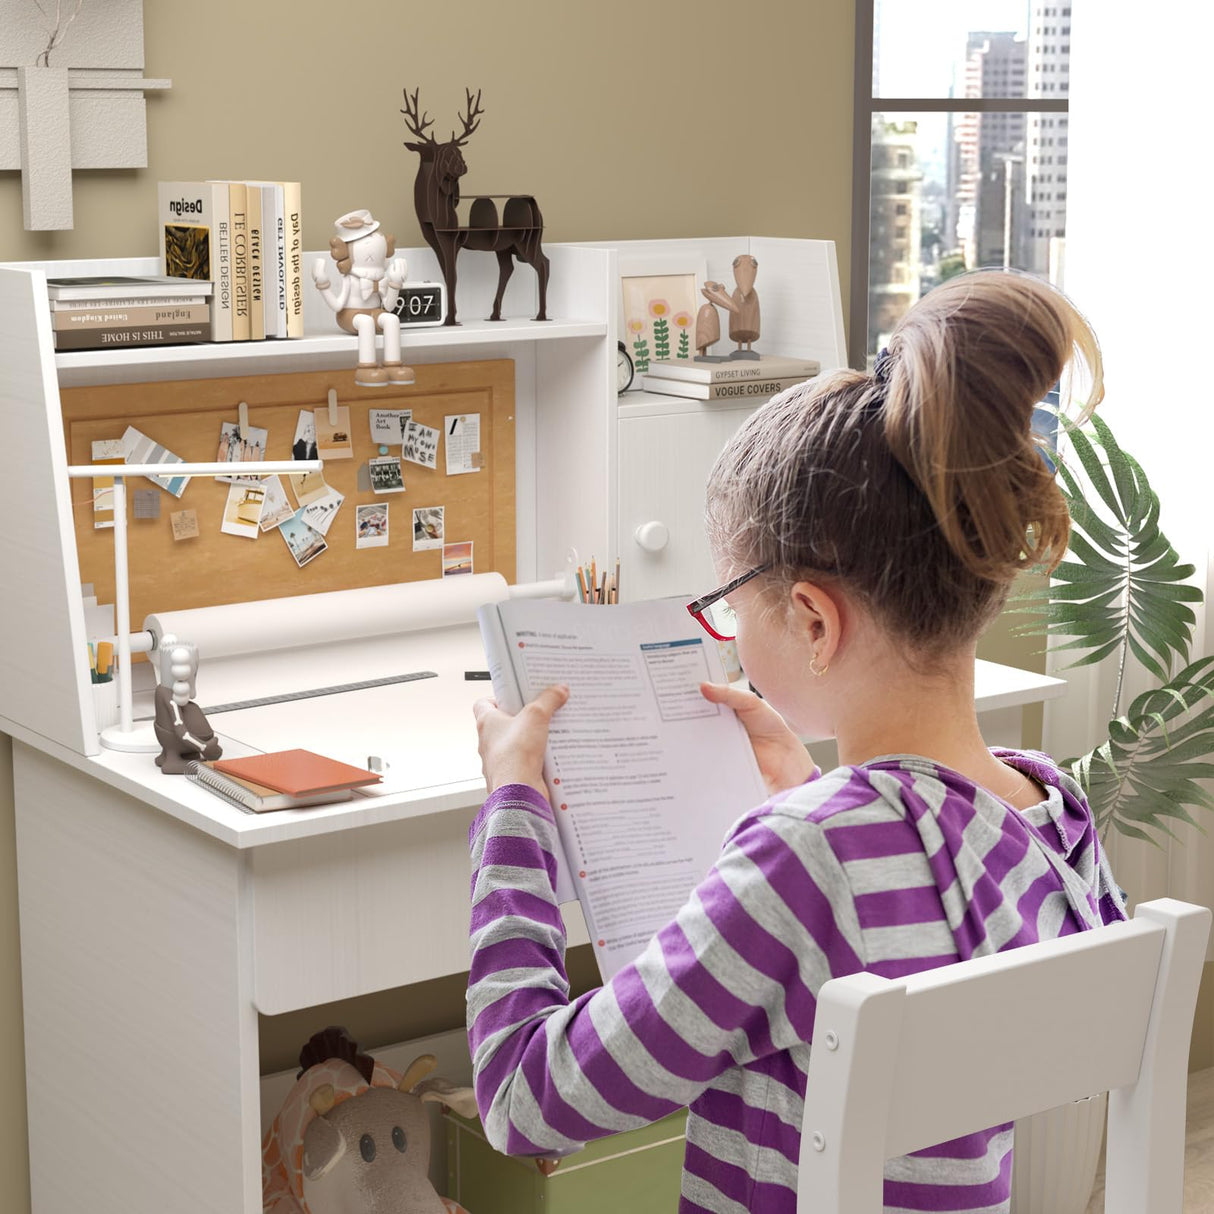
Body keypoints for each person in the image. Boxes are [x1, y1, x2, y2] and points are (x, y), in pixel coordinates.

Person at [469, 270, 1123, 1214]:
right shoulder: (1053, 822)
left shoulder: (807, 858)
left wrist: (513, 808)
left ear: (814, 622)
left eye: (729, 605)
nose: (727, 632)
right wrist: (806, 787)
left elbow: (523, 1101)